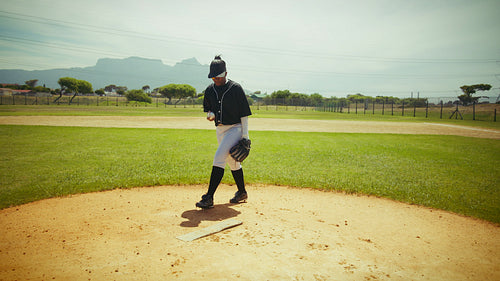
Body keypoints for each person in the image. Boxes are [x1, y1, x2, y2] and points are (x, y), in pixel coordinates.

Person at [196, 55, 252, 209]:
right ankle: (242, 192)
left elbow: (244, 114)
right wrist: (210, 114)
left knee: (219, 157)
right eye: (213, 77)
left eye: (219, 77)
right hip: (220, 130)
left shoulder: (235, 88)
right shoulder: (209, 90)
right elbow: (209, 109)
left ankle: (209, 197)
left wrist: (245, 136)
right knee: (232, 161)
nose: (216, 80)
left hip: (235, 128)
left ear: (226, 74)